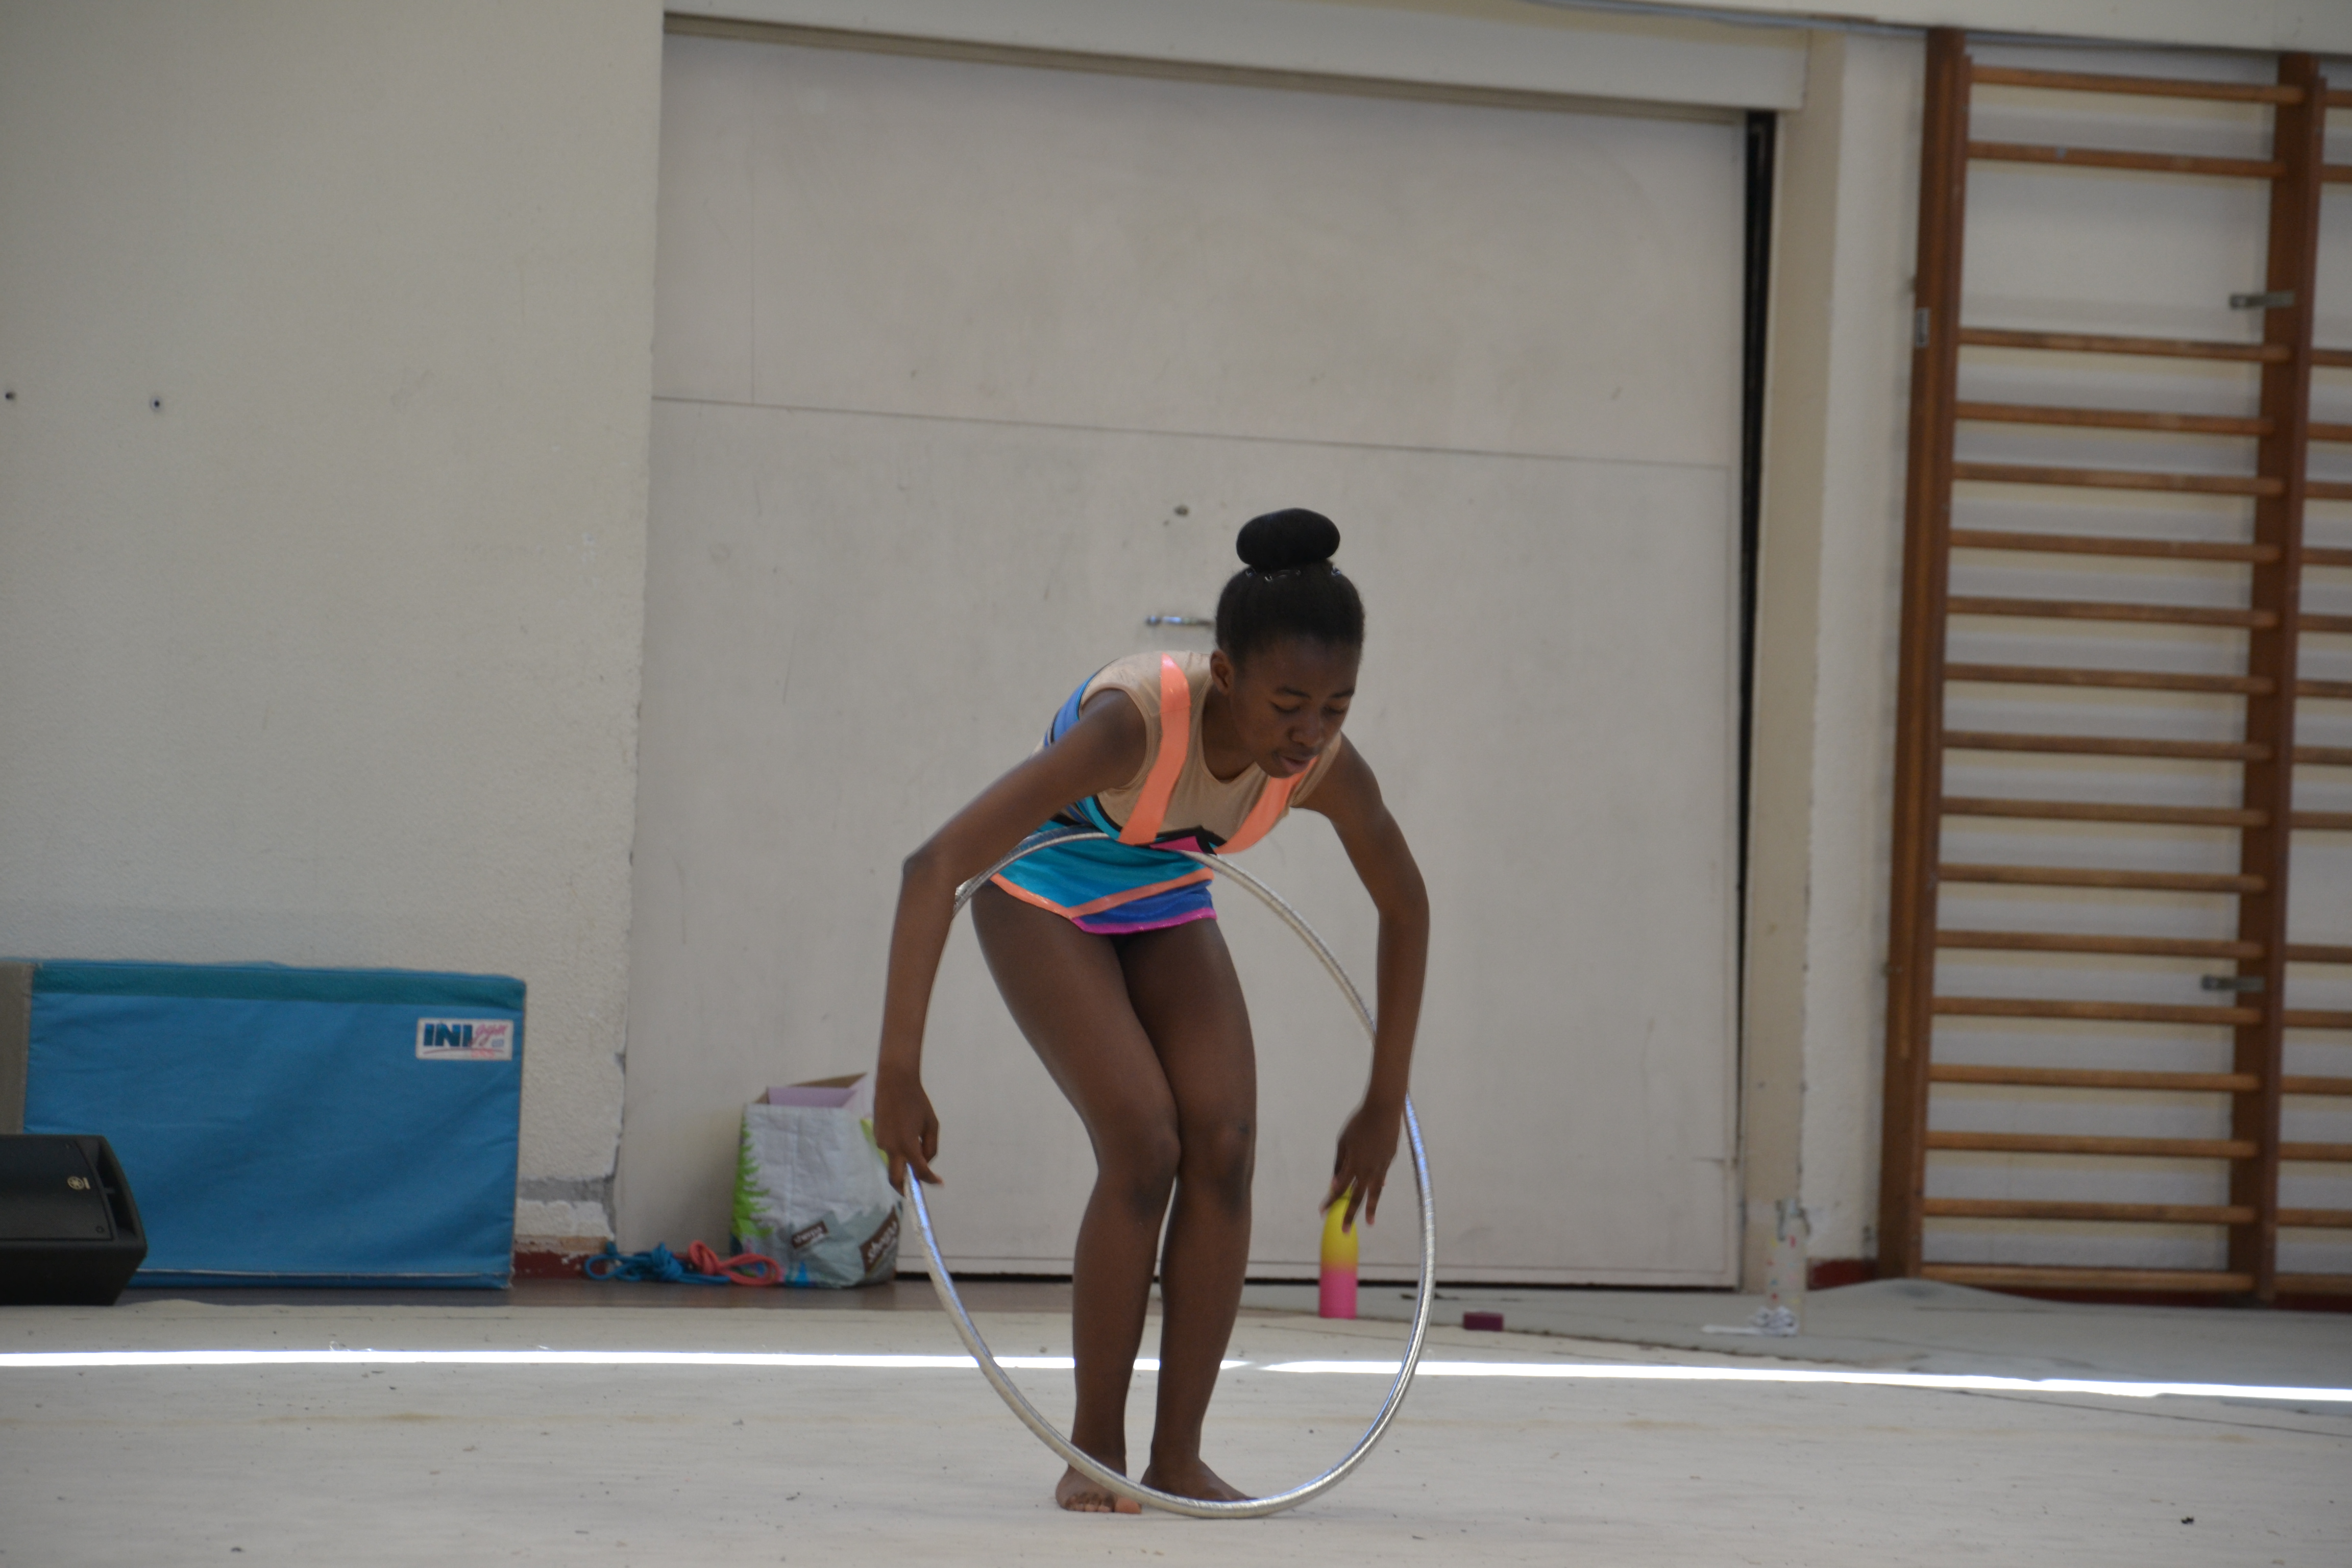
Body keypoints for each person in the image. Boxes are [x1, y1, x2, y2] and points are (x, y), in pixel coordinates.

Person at [871, 508, 1429, 1512]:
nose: (1309, 733)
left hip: (1161, 895)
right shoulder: (1135, 723)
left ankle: (1178, 1456)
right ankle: (1095, 1450)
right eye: (1287, 704)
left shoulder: (1323, 767)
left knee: (1225, 1142)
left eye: (1335, 707)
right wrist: (900, 1070)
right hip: (1041, 892)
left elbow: (1406, 904)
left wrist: (1385, 1098)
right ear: (1227, 676)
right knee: (1144, 1140)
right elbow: (935, 865)